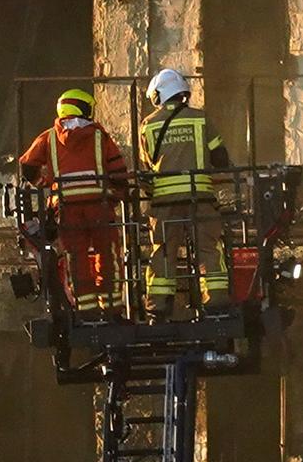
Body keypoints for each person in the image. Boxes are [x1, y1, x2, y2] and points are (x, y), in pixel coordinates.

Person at [13, 89, 130, 317]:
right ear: (82, 108)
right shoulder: (100, 136)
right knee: (107, 255)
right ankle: (112, 309)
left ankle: (86, 311)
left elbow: (26, 165)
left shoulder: (49, 137)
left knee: (76, 258)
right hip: (99, 206)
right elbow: (118, 170)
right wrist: (120, 195)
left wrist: (43, 183)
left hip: (67, 210)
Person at [134, 65, 233, 311]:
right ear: (183, 92)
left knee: (163, 251)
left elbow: (146, 169)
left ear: (158, 95)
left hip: (165, 203)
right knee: (209, 247)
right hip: (200, 198)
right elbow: (220, 158)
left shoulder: (148, 125)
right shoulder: (200, 118)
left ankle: (159, 305)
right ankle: (216, 301)